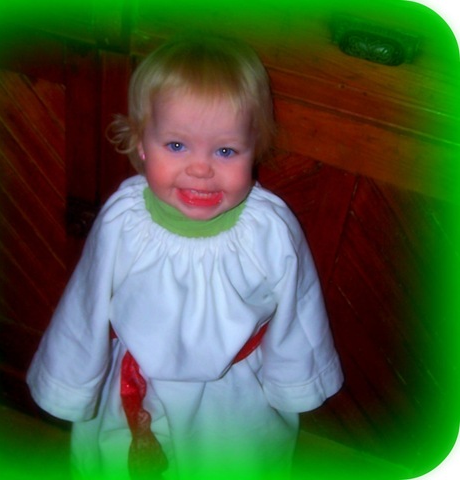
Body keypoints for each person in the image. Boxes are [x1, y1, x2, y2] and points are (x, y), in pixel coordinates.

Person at [27, 33, 344, 480]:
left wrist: (295, 383)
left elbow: (299, 308)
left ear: (255, 148)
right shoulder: (124, 219)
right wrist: (69, 382)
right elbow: (86, 303)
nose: (200, 169)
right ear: (142, 143)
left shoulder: (269, 229)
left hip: (233, 402)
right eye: (176, 146)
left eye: (225, 150)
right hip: (133, 387)